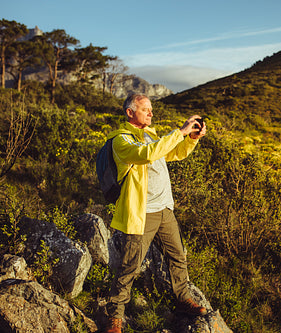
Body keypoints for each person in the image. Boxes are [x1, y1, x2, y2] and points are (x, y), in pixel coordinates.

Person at [104, 94, 207, 333]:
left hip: (164, 209)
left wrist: (191, 139)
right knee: (130, 265)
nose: (151, 113)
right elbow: (147, 154)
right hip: (142, 214)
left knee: (177, 257)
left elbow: (173, 153)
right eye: (146, 109)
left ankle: (182, 300)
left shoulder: (151, 134)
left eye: (151, 109)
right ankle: (114, 318)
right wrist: (179, 132)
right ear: (130, 112)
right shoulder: (120, 140)